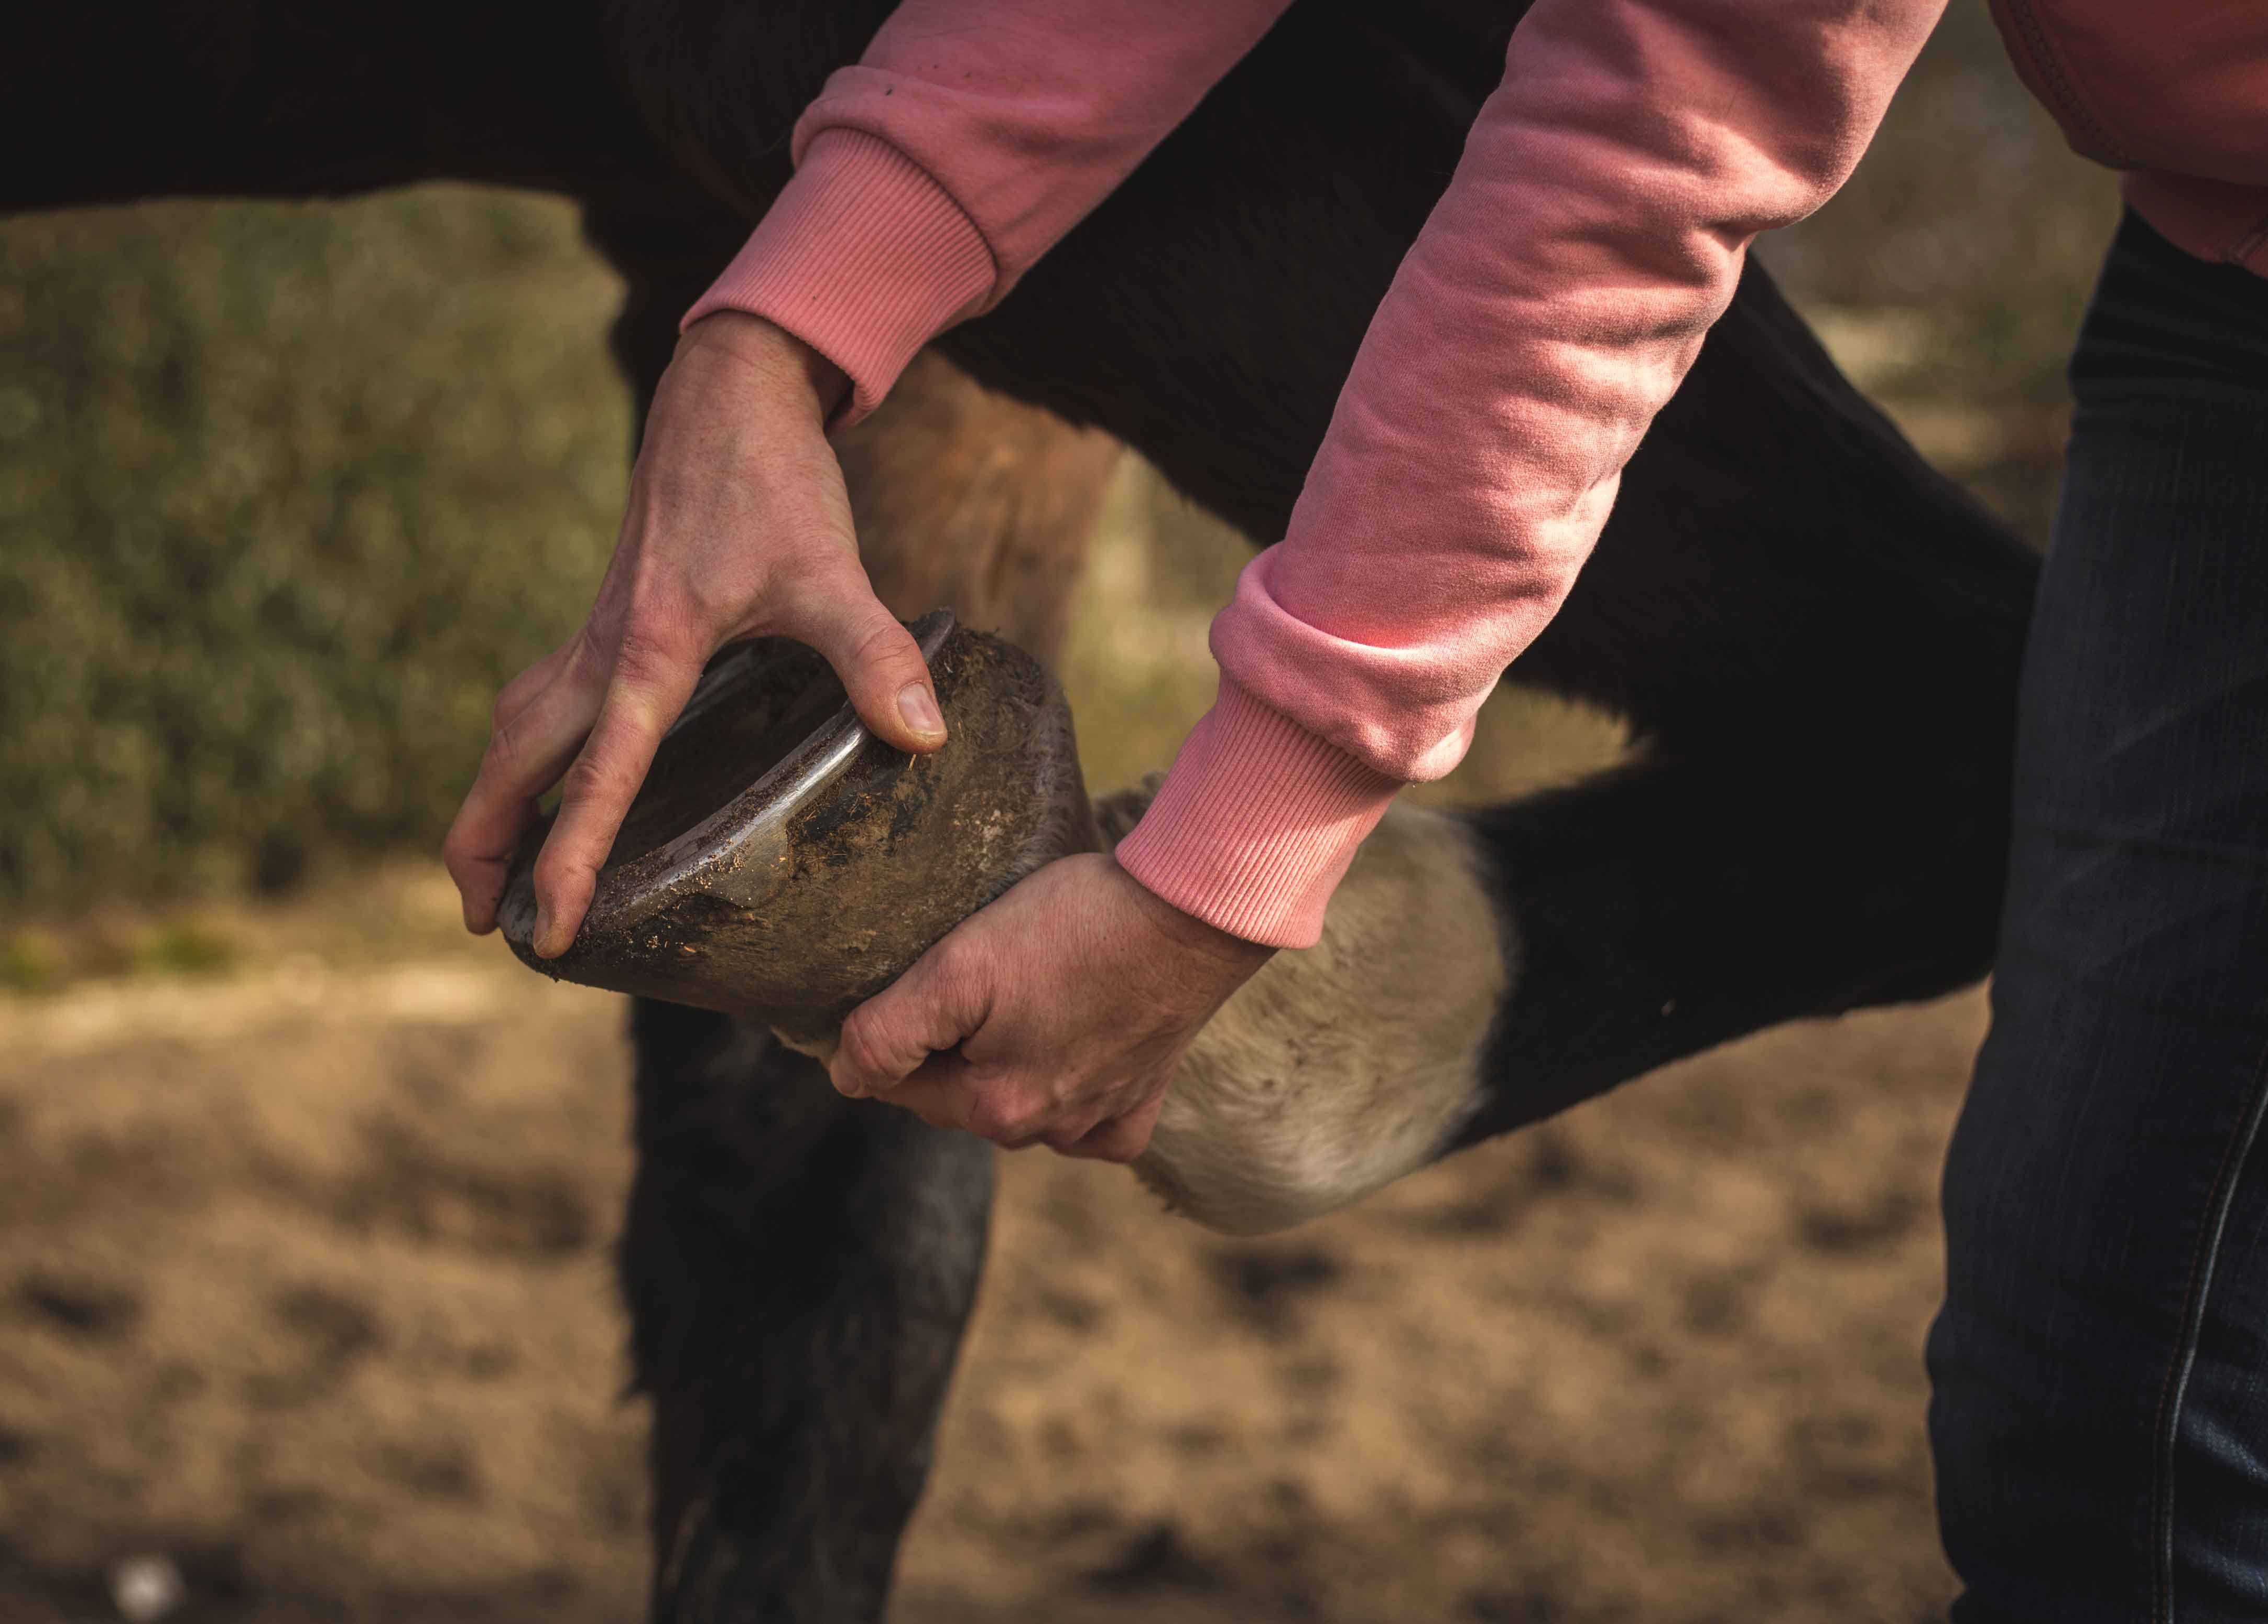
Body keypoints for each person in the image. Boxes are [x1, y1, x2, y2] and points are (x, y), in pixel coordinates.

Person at [441, 0, 2268, 1611]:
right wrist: (774, 335)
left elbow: (1660, 127)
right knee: (2082, 1418)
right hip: (2212, 275)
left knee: (2149, 1433)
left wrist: (1243, 850)